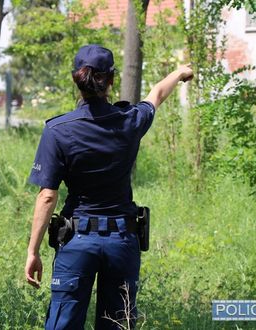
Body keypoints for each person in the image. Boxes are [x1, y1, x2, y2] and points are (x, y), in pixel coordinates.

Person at [25, 44, 193, 330]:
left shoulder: (58, 130)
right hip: (122, 242)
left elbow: (47, 196)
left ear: (76, 80)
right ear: (111, 80)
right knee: (118, 322)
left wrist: (33, 251)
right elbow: (156, 94)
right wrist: (179, 72)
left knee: (62, 323)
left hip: (76, 241)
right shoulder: (130, 121)